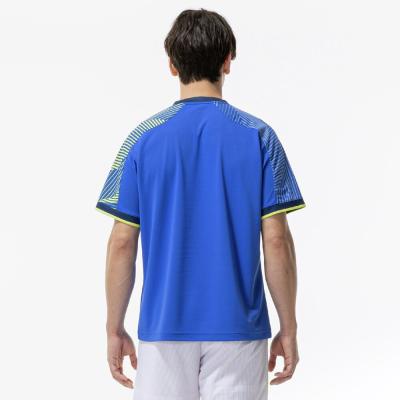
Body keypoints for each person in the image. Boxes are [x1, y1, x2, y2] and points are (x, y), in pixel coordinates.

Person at [95, 8, 306, 400]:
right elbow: (276, 241)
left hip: (163, 330)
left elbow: (121, 243)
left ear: (172, 65)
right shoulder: (260, 138)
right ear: (228, 61)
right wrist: (288, 327)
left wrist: (114, 328)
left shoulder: (141, 141)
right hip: (238, 329)